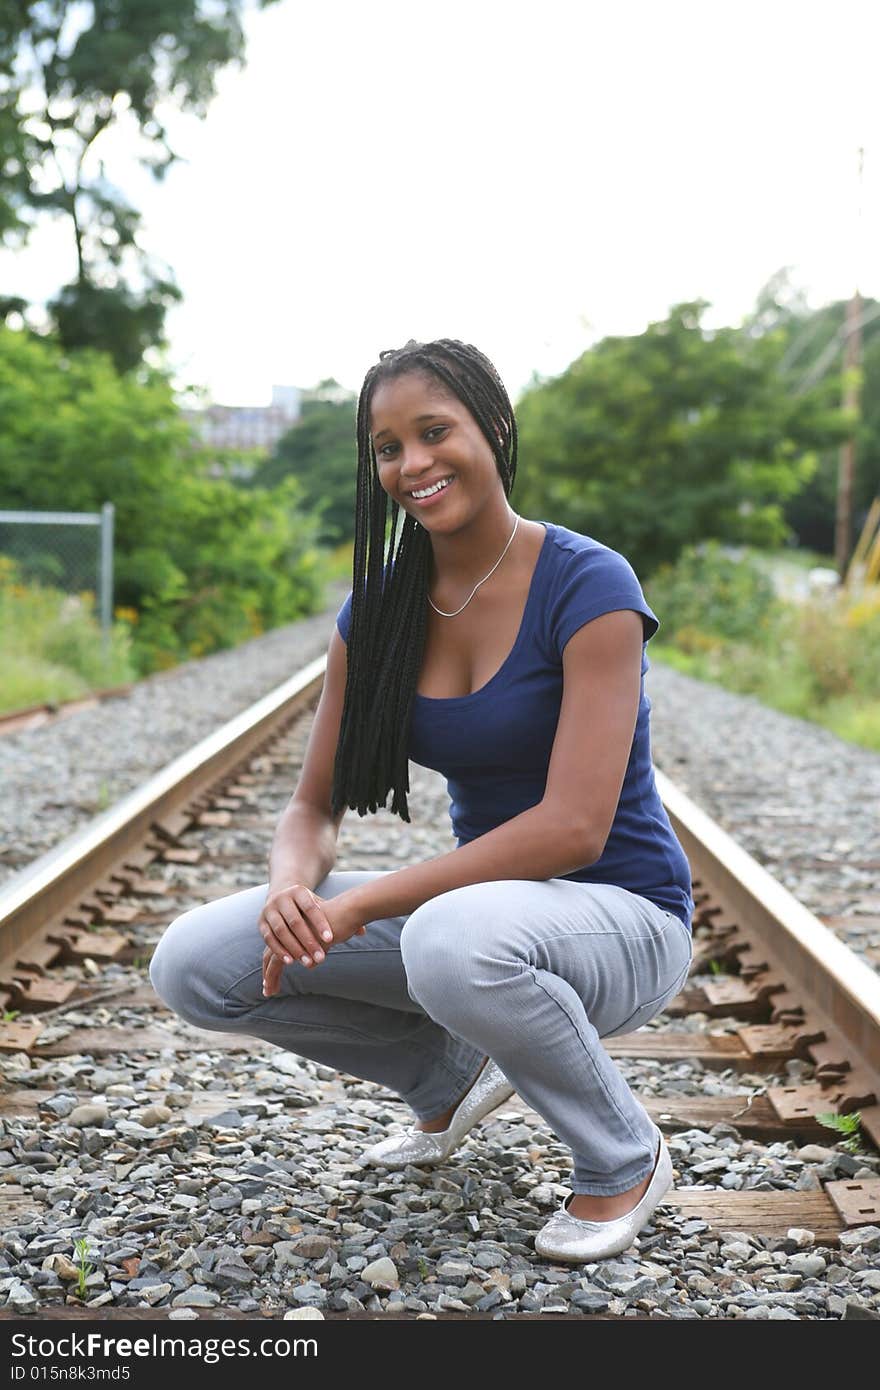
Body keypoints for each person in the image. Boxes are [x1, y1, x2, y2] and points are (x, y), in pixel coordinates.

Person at [150, 337, 695, 1264]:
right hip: (485, 923)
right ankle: (442, 1075)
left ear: (495, 426)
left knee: (450, 938)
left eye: (433, 432)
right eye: (388, 447)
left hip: (623, 920)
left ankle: (623, 1160)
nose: (412, 464)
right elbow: (311, 806)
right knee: (195, 961)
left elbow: (573, 829)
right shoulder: (382, 612)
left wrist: (363, 900)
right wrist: (293, 887)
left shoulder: (589, 582)